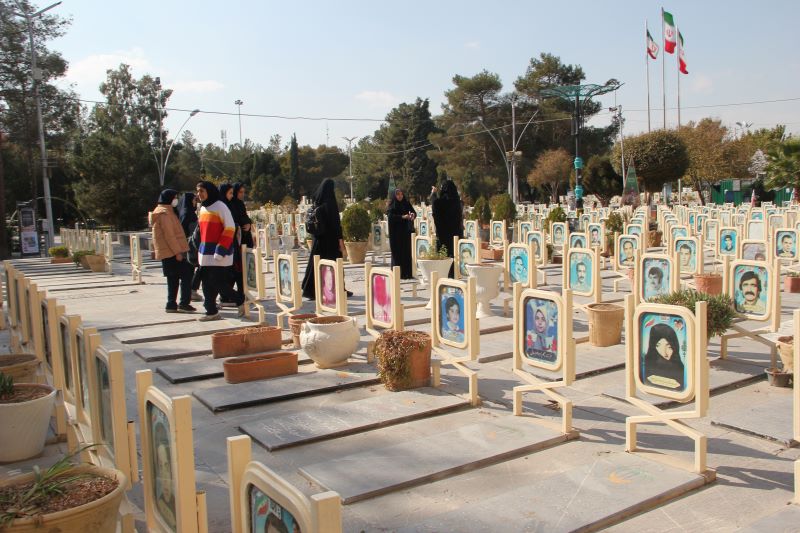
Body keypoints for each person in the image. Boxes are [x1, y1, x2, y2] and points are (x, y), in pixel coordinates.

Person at [195, 181, 246, 320]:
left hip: (219, 254)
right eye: (198, 191)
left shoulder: (220, 207)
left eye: (202, 191)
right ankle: (211, 311)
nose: (199, 194)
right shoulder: (203, 208)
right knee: (206, 284)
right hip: (205, 253)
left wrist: (221, 249)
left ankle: (240, 300)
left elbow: (230, 228)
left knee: (219, 284)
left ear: (209, 191)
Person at [301, 179, 351, 299]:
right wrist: (341, 241)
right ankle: (339, 289)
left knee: (315, 265)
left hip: (318, 240)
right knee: (335, 265)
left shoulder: (317, 202)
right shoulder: (330, 203)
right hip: (330, 241)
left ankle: (310, 290)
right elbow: (336, 225)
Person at [151, 189, 195, 313]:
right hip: (172, 252)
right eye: (174, 197)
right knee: (186, 275)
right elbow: (169, 235)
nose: (176, 200)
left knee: (173, 278)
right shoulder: (165, 214)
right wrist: (177, 252)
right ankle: (184, 303)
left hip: (167, 251)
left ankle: (171, 304)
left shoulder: (165, 211)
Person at [430, 180, 464, 278]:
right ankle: (455, 274)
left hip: (443, 235)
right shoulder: (457, 202)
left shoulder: (441, 202)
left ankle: (445, 276)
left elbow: (435, 204)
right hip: (455, 234)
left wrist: (433, 193)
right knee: (454, 254)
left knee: (444, 255)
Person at [642, 323, 685, 391]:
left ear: (675, 347)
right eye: (658, 346)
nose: (664, 353)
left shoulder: (680, 369)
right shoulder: (648, 364)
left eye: (669, 347)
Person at [177, 192, 203, 302]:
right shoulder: (188, 214)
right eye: (194, 200)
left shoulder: (184, 212)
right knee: (188, 273)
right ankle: (187, 297)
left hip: (186, 246)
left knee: (189, 273)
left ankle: (188, 295)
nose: (195, 202)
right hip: (189, 247)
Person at [387, 188, 415, 279]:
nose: (400, 196)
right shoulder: (392, 205)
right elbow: (391, 217)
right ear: (395, 196)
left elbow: (413, 212)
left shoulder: (406, 203)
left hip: (406, 232)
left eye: (401, 194)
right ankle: (397, 273)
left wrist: (412, 215)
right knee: (397, 253)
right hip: (396, 234)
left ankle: (407, 273)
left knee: (406, 252)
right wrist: (402, 217)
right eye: (398, 194)